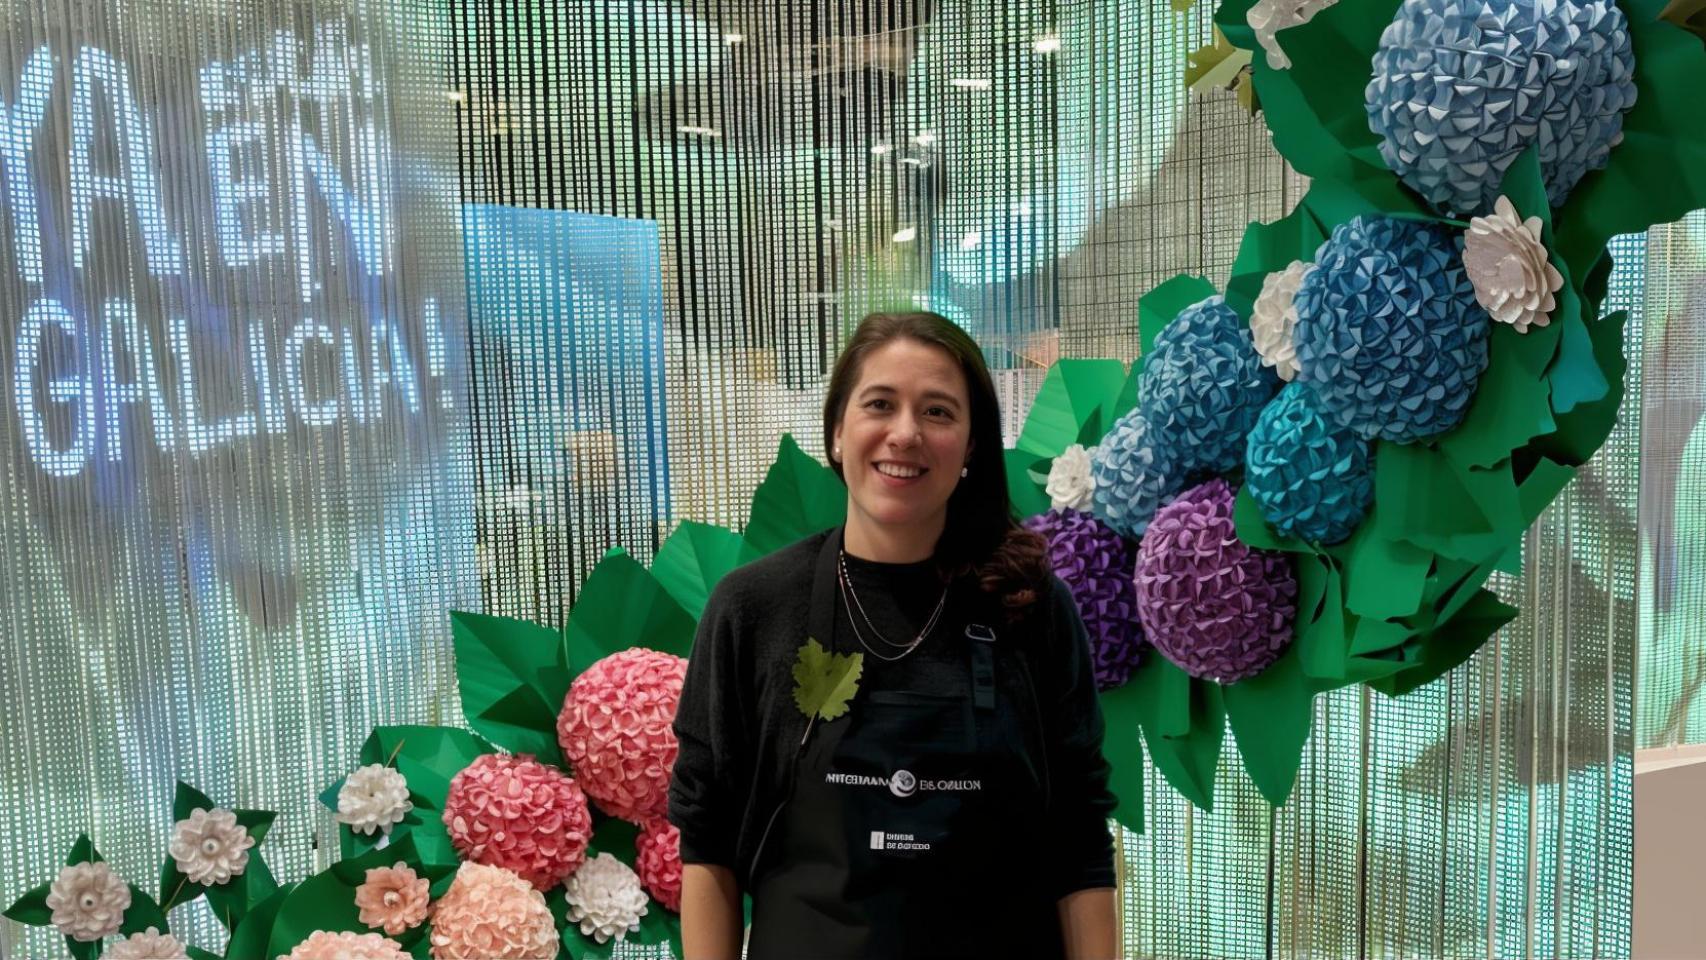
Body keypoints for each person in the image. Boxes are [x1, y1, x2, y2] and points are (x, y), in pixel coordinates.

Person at [668, 311, 1119, 959]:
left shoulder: (1032, 608)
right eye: (880, 404)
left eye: (937, 412)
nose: (905, 433)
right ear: (836, 431)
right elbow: (708, 842)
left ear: (971, 446)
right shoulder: (751, 611)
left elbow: (1079, 837)